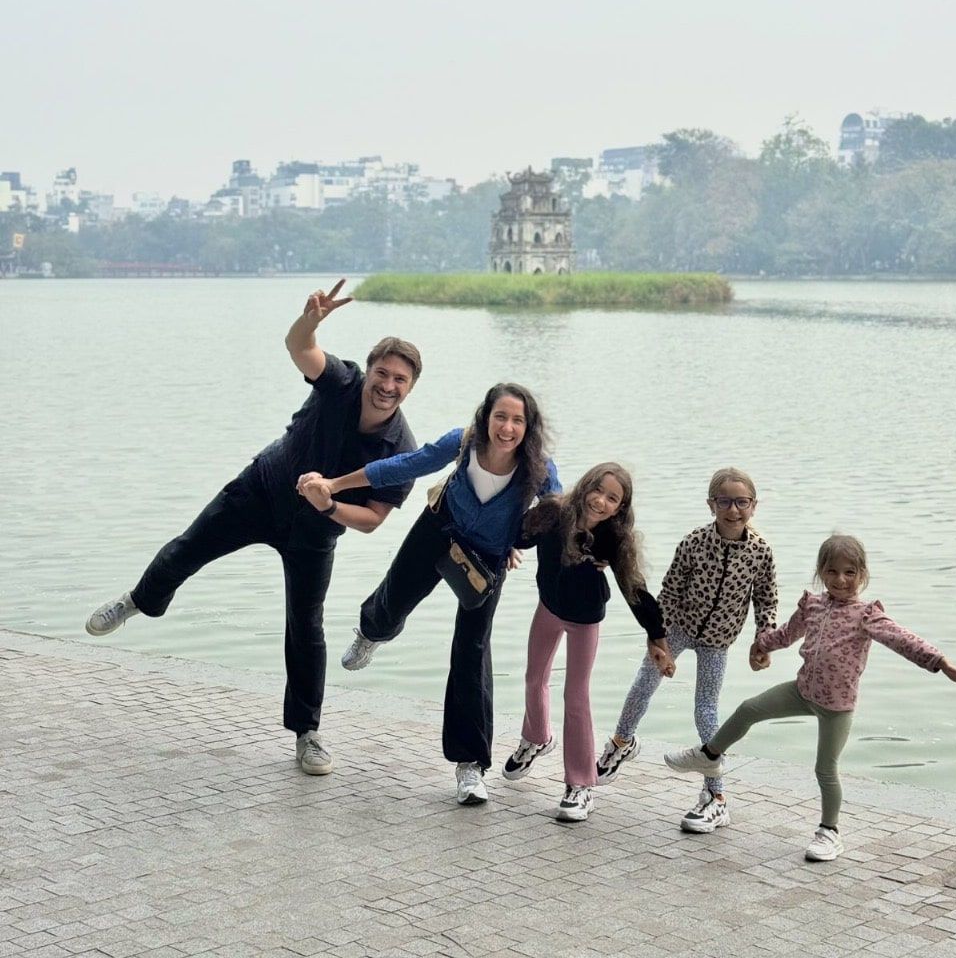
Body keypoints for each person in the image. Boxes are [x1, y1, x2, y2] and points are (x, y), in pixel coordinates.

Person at [84, 281, 422, 776]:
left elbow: (372, 520)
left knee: (306, 626)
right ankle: (137, 601)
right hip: (260, 491)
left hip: (314, 530)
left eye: (400, 380)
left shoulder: (401, 451)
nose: (387, 385)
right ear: (368, 371)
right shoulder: (343, 382)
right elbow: (300, 348)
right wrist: (311, 320)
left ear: (410, 388)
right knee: (185, 550)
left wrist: (329, 507)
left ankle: (308, 734)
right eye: (382, 372)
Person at [298, 382, 560, 806]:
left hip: (487, 559)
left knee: (472, 651)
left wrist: (524, 539)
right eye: (500, 417)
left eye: (517, 420)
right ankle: (371, 633)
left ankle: (470, 766)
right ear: (486, 417)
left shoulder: (540, 469)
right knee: (393, 601)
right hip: (438, 528)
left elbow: (556, 516)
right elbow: (406, 464)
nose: (507, 428)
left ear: (529, 428)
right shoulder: (464, 442)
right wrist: (335, 484)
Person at [665, 533, 956, 861]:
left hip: (837, 706)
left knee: (825, 768)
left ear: (863, 574)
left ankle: (829, 832)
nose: (841, 579)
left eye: (850, 572)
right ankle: (708, 754)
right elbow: (786, 635)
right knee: (748, 709)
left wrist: (941, 662)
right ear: (821, 572)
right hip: (802, 691)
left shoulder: (867, 615)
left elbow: (903, 640)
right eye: (832, 571)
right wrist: (761, 646)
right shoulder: (813, 605)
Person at [595, 466, 777, 835]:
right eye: (724, 501)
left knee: (706, 711)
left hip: (718, 641)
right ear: (711, 504)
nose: (733, 509)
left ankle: (716, 798)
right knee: (644, 683)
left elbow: (767, 599)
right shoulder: (694, 542)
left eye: (741, 502)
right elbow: (671, 590)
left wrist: (764, 640)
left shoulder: (761, 552)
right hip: (678, 628)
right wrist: (659, 640)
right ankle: (621, 741)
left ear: (754, 506)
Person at [501, 463, 676, 823]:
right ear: (585, 486)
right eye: (598, 490)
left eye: (613, 498)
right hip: (548, 607)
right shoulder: (554, 513)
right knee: (535, 678)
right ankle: (536, 738)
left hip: (585, 619)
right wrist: (506, 543)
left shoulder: (613, 538)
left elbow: (635, 589)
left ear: (620, 508)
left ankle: (580, 785)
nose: (601, 501)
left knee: (575, 696)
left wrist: (656, 636)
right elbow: (518, 534)